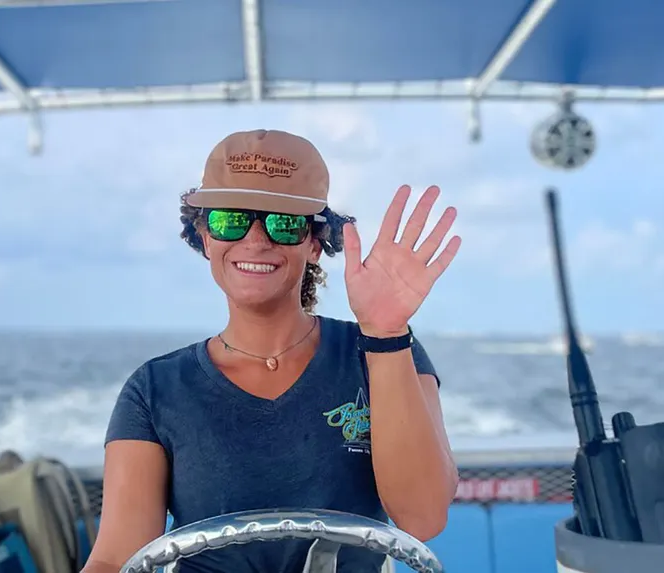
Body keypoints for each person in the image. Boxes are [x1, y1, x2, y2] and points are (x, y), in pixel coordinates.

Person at [83, 129, 461, 573]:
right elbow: (114, 558)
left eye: (283, 222)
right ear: (205, 238)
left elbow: (424, 517)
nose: (256, 239)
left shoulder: (384, 352)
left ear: (315, 244)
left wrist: (386, 331)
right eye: (230, 220)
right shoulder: (154, 390)